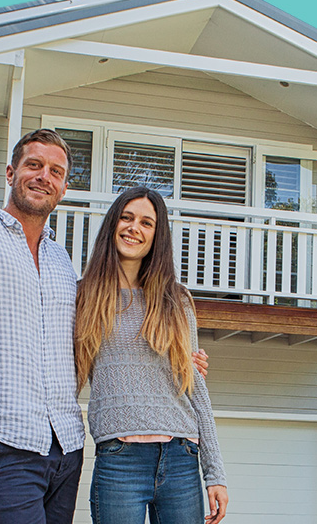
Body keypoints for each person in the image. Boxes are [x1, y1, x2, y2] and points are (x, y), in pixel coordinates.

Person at [0, 129, 208, 524]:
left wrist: (173, 360)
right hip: (6, 441)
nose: (44, 176)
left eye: (56, 171)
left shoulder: (60, 261)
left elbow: (92, 344)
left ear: (63, 188)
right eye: (34, 165)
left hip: (66, 447)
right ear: (11, 172)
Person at [75, 186, 228, 524]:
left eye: (147, 223)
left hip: (181, 457)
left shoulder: (177, 299)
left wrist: (215, 473)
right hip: (119, 459)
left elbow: (195, 387)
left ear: (157, 236)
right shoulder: (84, 296)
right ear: (113, 224)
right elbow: (67, 374)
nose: (134, 228)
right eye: (127, 218)